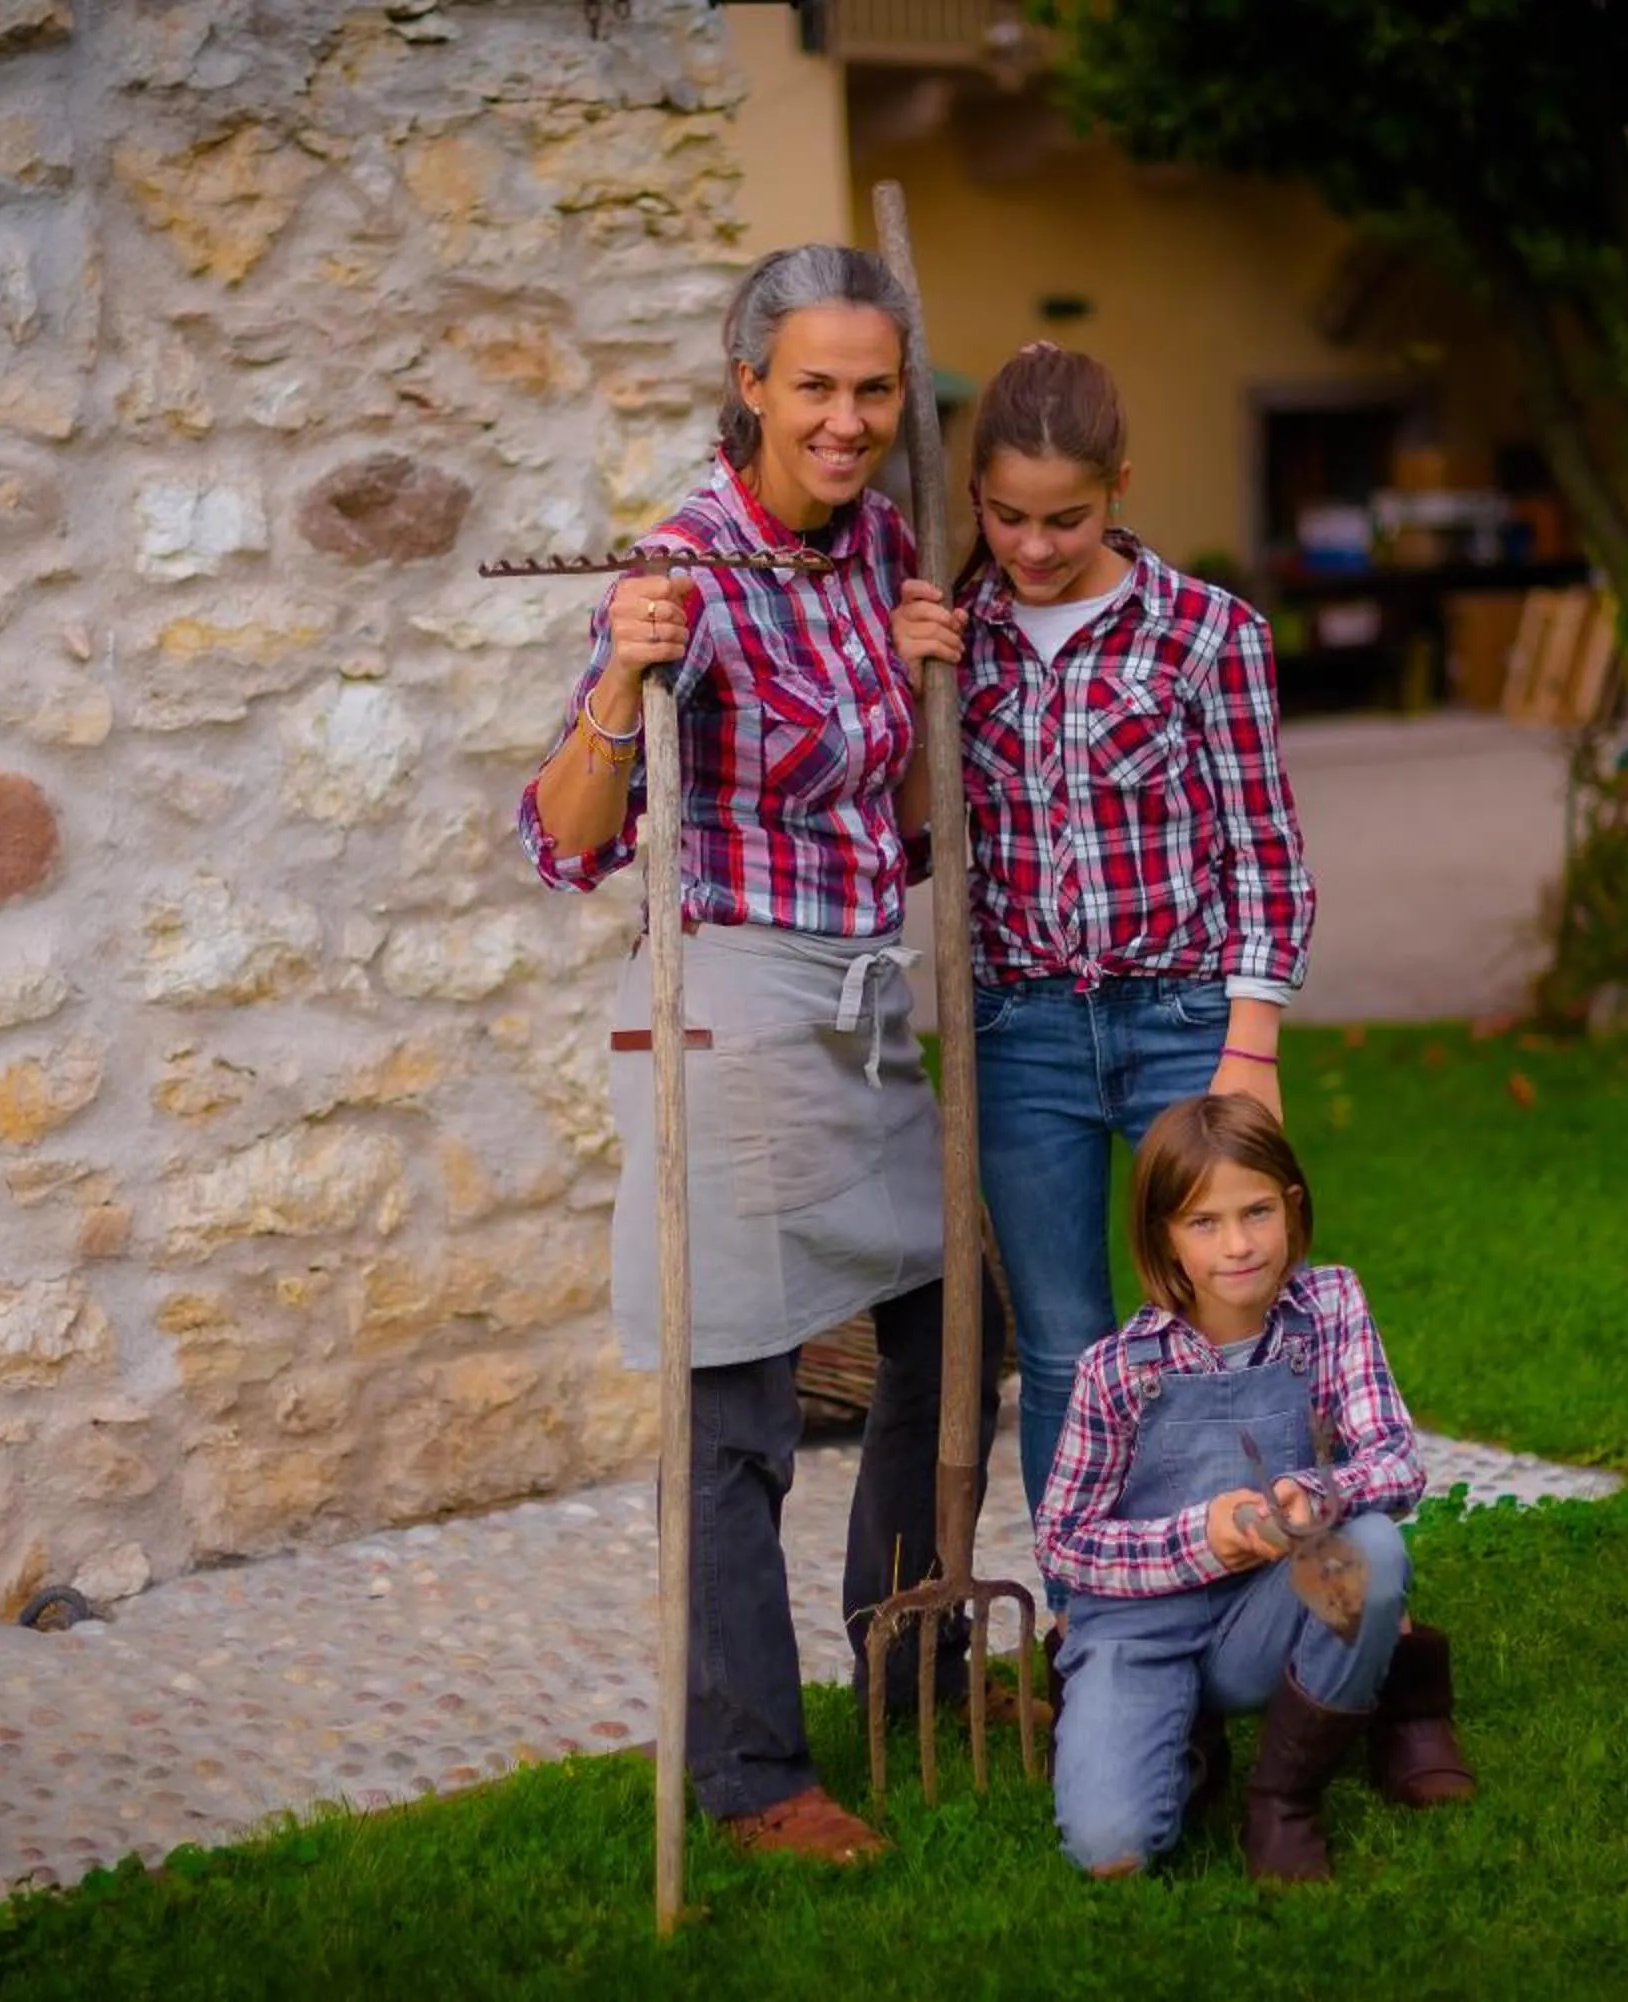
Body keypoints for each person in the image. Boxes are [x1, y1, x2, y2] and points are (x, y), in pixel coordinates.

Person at [517, 242, 992, 1867]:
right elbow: (563, 841)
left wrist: (933, 673)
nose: (849, 421)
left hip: (861, 1007)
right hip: (723, 1006)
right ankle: (745, 1766)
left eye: (873, 388)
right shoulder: (685, 568)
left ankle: (913, 1650)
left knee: (947, 1334)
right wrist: (626, 677)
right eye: (816, 388)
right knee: (736, 1405)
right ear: (749, 387)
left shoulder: (883, 548)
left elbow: (905, 827)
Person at [890, 341, 1317, 1619]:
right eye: (1005, 515)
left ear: (1119, 485)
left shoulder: (1207, 633)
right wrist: (919, 693)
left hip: (1182, 1016)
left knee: (1228, 1309)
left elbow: (1265, 848)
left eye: (1065, 518)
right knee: (1070, 1348)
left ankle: (1275, 1598)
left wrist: (1253, 1047)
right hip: (1020, 1035)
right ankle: (1097, 1625)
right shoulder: (953, 638)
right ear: (974, 496)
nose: (1031, 546)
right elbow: (915, 836)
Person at [1035, 1093, 1476, 1882]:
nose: (1238, 1245)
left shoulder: (1330, 1306)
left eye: (1257, 1212)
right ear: (1164, 1239)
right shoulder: (1117, 1370)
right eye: (1204, 1223)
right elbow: (1064, 1543)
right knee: (1112, 1853)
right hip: (1142, 1627)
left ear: (1292, 1207)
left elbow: (1396, 1461)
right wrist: (1200, 1536)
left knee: (1366, 1552)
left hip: (1265, 1610)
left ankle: (1283, 1800)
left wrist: (1312, 1495)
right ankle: (1177, 1741)